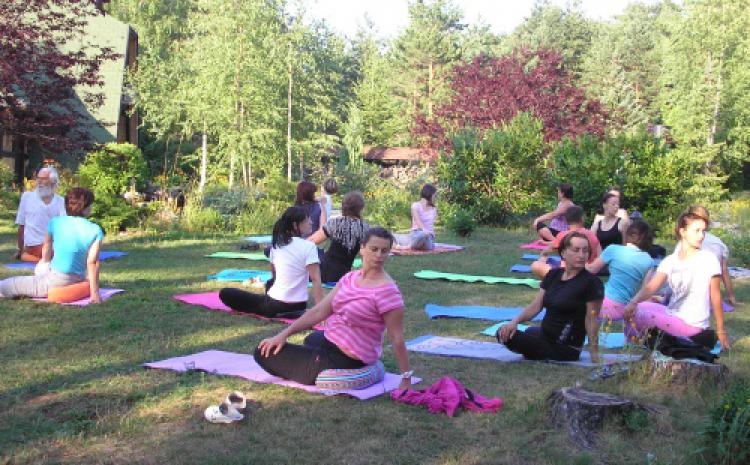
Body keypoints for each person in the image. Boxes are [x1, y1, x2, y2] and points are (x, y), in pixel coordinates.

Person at [254, 227, 413, 390]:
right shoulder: (350, 278)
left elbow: (397, 338)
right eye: (374, 249)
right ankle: (345, 366)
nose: (379, 255)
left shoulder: (387, 292)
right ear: (362, 248)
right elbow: (320, 311)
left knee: (262, 352)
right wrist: (283, 335)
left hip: (348, 357)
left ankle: (362, 372)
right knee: (311, 339)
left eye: (384, 251)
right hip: (332, 340)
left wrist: (406, 377)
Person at [622, 211, 730, 350]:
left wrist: (721, 330)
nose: (701, 236)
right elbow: (650, 288)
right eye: (697, 231)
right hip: (672, 314)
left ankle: (646, 343)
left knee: (637, 312)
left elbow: (716, 296)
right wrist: (632, 302)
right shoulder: (671, 260)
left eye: (703, 231)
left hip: (691, 325)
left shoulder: (708, 259)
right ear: (683, 232)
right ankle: (640, 343)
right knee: (635, 307)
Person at [497, 232, 604, 362]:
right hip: (545, 335)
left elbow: (592, 321)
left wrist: (595, 355)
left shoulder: (592, 282)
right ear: (563, 253)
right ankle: (535, 350)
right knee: (506, 331)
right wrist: (514, 322)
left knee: (510, 337)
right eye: (576, 250)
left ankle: (538, 352)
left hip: (564, 347)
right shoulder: (553, 275)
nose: (581, 255)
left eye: (585, 251)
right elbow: (536, 306)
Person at [1, 188, 103, 302]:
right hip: (78, 278)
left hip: (57, 280)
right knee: (43, 269)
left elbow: (47, 249)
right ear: (86, 209)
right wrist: (95, 293)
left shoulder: (55, 223)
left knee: (4, 286)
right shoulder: (95, 229)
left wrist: (44, 264)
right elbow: (92, 262)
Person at [219, 206, 323, 318]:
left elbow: (275, 276)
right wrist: (320, 310)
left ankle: (282, 312)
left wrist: (319, 313)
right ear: (295, 225)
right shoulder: (308, 246)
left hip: (275, 305)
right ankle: (288, 312)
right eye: (307, 220)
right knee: (268, 286)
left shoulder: (277, 245)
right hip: (299, 305)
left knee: (225, 293)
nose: (311, 222)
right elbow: (316, 279)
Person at [586, 220, 655, 323]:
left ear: (628, 235)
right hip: (624, 309)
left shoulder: (613, 249)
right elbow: (646, 290)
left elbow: (591, 269)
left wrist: (577, 262)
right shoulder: (649, 261)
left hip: (601, 305)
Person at [673, 206, 736, 306]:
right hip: (709, 295)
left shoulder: (684, 243)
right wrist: (731, 296)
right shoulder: (718, 242)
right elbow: (724, 271)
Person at [308, 191, 369, 283]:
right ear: (361, 208)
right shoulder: (365, 228)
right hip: (344, 273)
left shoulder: (335, 223)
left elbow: (312, 240)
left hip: (324, 270)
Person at [531, 206, 602, 279]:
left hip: (568, 275)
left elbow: (549, 249)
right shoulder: (591, 234)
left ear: (566, 220)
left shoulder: (563, 235)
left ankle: (550, 283)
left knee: (536, 265)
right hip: (589, 272)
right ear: (582, 218)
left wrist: (543, 255)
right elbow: (600, 253)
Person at [14, 166, 66, 262]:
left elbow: (63, 226)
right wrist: (20, 248)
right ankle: (28, 256)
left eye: (44, 179)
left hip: (53, 243)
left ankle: (28, 257)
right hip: (34, 244)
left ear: (53, 181)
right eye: (38, 178)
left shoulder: (60, 201)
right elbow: (21, 225)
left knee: (73, 252)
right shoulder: (27, 197)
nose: (39, 182)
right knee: (60, 257)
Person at [401, 184, 438, 251]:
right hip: (416, 233)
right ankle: (411, 244)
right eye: (434, 196)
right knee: (422, 235)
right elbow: (417, 221)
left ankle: (409, 246)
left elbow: (431, 225)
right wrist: (424, 231)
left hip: (428, 236)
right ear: (429, 194)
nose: (436, 198)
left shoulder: (433, 209)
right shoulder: (415, 206)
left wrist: (428, 233)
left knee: (429, 246)